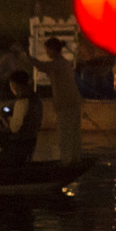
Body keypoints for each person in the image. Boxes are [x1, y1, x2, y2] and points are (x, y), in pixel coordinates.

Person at [30, 36, 81, 164]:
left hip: (65, 106)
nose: (47, 53)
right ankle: (74, 160)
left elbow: (41, 66)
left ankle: (67, 162)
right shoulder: (63, 63)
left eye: (47, 50)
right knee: (73, 136)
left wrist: (27, 57)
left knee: (65, 136)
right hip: (72, 104)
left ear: (52, 50)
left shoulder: (57, 64)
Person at [0, 71, 41, 165]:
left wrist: (5, 119)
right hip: (32, 140)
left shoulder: (22, 102)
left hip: (20, 144)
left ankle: (9, 158)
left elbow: (15, 128)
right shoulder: (36, 99)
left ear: (14, 85)